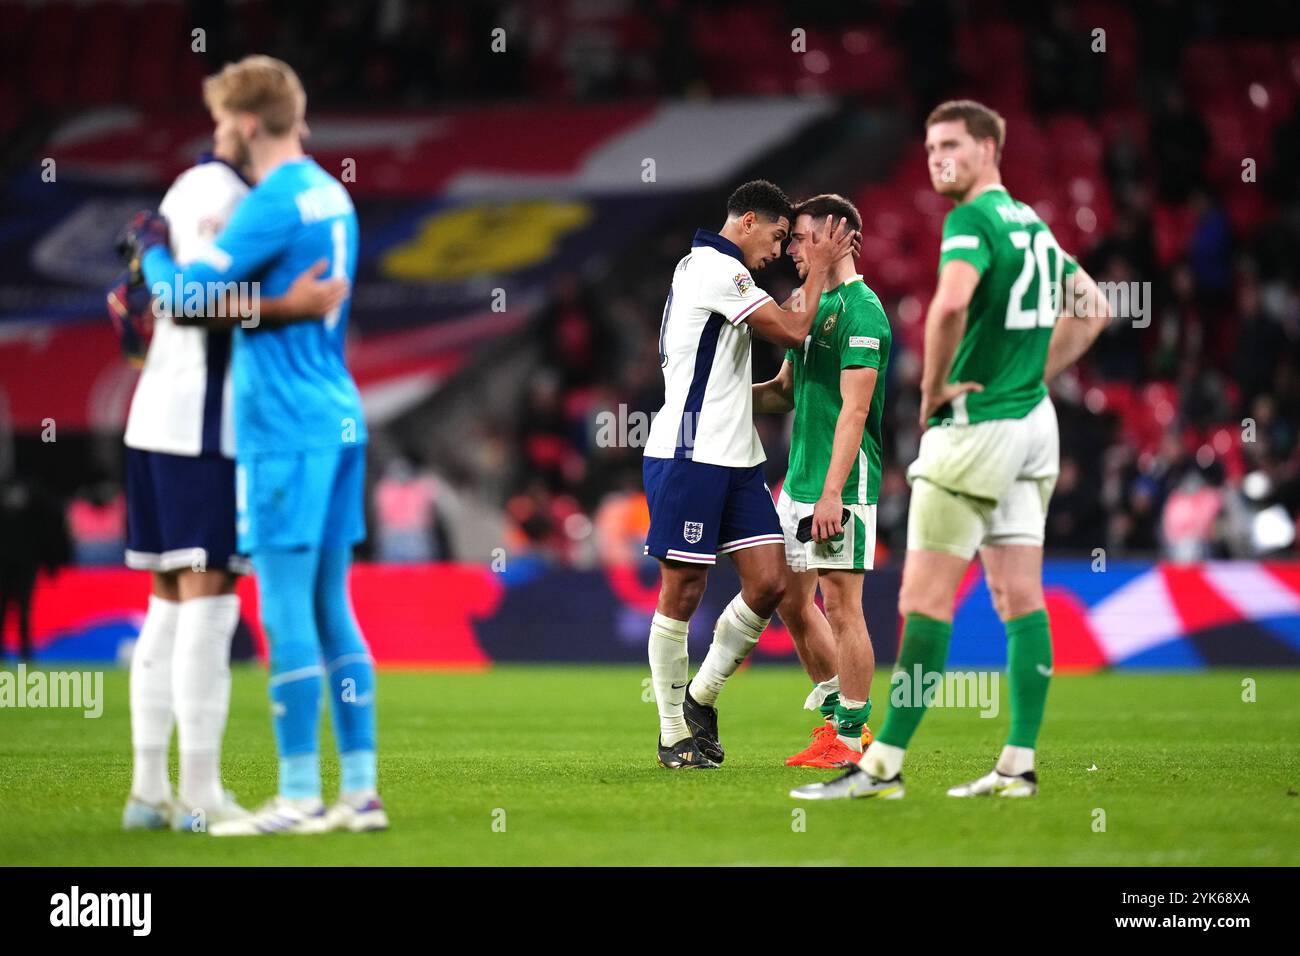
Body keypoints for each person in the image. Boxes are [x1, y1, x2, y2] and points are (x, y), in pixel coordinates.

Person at [793, 100, 1110, 801]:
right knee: (1018, 595)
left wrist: (935, 389)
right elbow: (1093, 307)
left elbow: (947, 307)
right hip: (1034, 426)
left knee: (923, 601)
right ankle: (1017, 764)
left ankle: (880, 768)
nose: (938, 158)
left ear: (991, 149)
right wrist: (1029, 377)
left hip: (975, 430)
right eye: (932, 147)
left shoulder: (971, 221)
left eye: (954, 147)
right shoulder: (1032, 223)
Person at [122, 55, 384, 834]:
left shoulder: (268, 202)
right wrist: (287, 305)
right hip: (340, 412)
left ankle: (299, 794)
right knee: (333, 605)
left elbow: (181, 297)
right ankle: (360, 792)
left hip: (281, 425)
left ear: (241, 123)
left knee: (279, 605)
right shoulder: (330, 194)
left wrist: (150, 254)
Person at [642, 179, 853, 768]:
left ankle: (700, 698)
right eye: (779, 236)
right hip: (689, 454)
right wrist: (821, 270)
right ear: (749, 220)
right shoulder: (716, 267)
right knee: (683, 590)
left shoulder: (715, 274)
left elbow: (767, 395)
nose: (779, 249)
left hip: (737, 457)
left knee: (769, 584)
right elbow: (791, 329)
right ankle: (671, 733)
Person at [752, 193, 891, 769]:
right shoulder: (806, 303)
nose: (791, 251)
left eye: (802, 238)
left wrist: (833, 493)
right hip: (800, 481)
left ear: (838, 238)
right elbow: (787, 390)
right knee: (789, 598)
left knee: (842, 604)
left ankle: (853, 736)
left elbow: (856, 412)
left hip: (844, 485)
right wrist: (722, 398)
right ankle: (838, 722)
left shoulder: (863, 311)